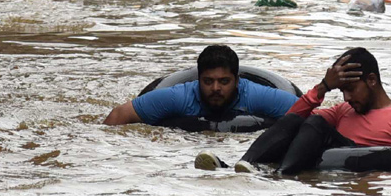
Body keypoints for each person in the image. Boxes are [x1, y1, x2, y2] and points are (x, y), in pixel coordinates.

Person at [196, 48, 391, 175]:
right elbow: (293, 120)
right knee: (303, 122)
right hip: (321, 161)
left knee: (317, 125)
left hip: (363, 161)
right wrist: (323, 87)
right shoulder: (343, 111)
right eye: (342, 91)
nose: (347, 97)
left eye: (351, 89)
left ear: (372, 81)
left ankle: (278, 176)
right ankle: (240, 167)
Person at [104, 44, 297, 127]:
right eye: (208, 81)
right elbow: (119, 115)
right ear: (198, 80)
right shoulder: (178, 97)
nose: (215, 88)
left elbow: (310, 115)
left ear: (237, 81)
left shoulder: (257, 95)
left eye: (224, 81)